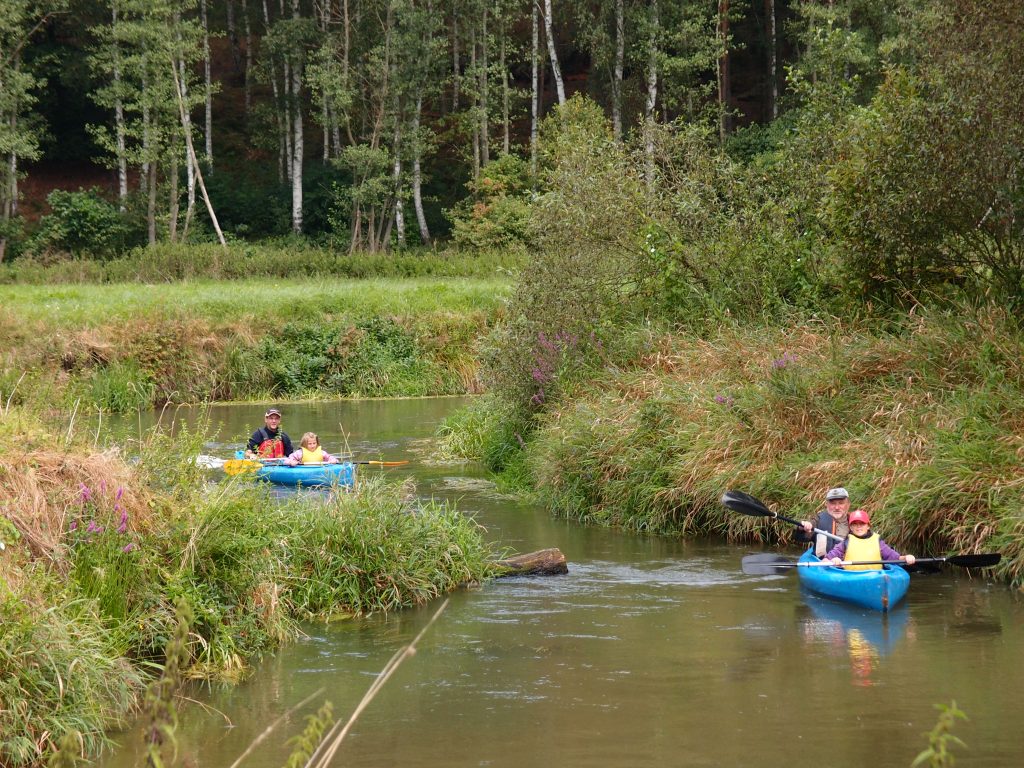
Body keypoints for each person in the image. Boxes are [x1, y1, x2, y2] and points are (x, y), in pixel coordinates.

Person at [822, 509, 916, 569]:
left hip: (875, 577)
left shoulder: (878, 543)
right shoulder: (845, 543)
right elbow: (825, 561)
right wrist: (833, 560)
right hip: (851, 578)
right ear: (851, 527)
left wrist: (907, 557)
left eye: (862, 523)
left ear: (868, 526)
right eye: (855, 524)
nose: (858, 527)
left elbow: (896, 558)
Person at [799, 487, 852, 558]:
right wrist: (802, 528)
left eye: (841, 503)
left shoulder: (856, 522)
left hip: (848, 563)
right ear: (827, 505)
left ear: (848, 504)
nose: (837, 507)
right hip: (823, 562)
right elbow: (802, 537)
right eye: (833, 503)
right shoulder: (818, 520)